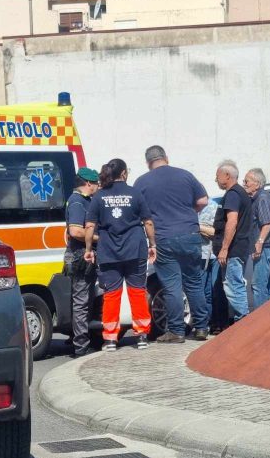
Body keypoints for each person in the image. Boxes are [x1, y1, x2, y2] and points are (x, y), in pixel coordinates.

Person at [133, 145, 210, 343]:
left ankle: (176, 331)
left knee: (172, 286)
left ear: (148, 162)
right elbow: (203, 200)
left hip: (164, 238)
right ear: (166, 157)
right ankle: (201, 327)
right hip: (190, 234)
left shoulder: (142, 182)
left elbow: (137, 211)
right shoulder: (185, 175)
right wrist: (188, 211)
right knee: (194, 282)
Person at [84, 158, 156, 352]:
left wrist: (89, 249)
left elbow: (90, 225)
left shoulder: (99, 197)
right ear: (124, 173)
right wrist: (153, 244)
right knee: (137, 292)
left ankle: (110, 340)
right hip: (135, 249)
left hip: (109, 252)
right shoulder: (135, 193)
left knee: (112, 295)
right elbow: (148, 222)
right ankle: (141, 335)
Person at [64, 166, 99, 358]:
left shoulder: (82, 200)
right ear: (88, 183)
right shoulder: (77, 201)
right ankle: (81, 347)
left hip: (79, 255)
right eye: (95, 184)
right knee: (81, 301)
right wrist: (100, 239)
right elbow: (76, 231)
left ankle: (81, 340)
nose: (97, 187)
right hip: (79, 255)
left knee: (83, 299)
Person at [213, 160, 251, 323]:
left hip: (233, 249)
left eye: (217, 176)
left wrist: (224, 248)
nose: (216, 180)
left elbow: (232, 222)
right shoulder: (239, 193)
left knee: (233, 286)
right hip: (238, 248)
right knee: (234, 284)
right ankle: (241, 320)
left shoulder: (233, 194)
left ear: (227, 175)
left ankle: (243, 321)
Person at [243, 167, 270, 309]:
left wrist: (259, 242)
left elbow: (267, 222)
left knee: (258, 286)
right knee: (267, 285)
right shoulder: (257, 198)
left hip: (265, 247)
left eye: (247, 181)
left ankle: (261, 323)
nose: (244, 184)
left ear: (257, 184)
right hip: (266, 247)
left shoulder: (262, 198)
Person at [197, 198, 225, 332]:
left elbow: (215, 232)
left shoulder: (214, 207)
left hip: (214, 254)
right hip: (200, 255)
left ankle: (220, 323)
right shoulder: (192, 208)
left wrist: (197, 227)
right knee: (204, 292)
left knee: (217, 290)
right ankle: (207, 323)